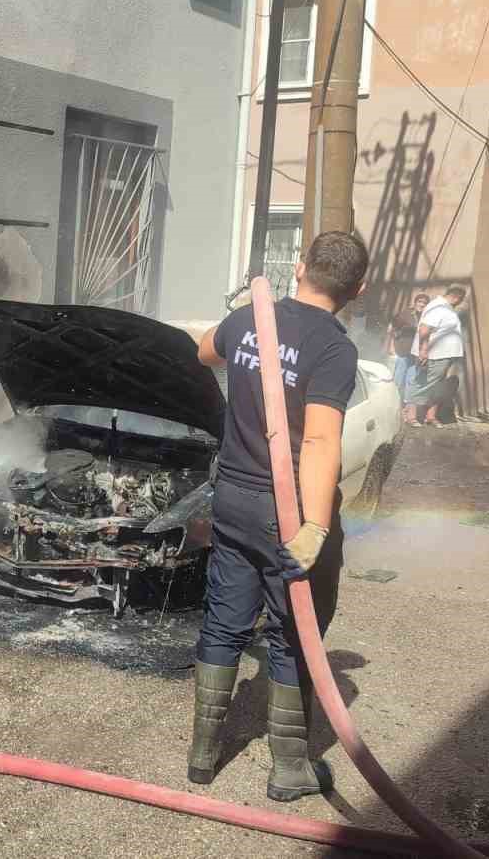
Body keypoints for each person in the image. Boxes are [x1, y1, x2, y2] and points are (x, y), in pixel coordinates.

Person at [188, 230, 369, 799]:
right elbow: (318, 442)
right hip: (285, 510)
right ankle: (289, 770)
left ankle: (202, 755)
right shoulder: (334, 348)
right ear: (357, 291)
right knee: (294, 633)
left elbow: (204, 351)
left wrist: (243, 314)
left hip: (233, 499)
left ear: (299, 268)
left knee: (225, 618)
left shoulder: (249, 320)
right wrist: (315, 525)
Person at [408, 284, 468, 426]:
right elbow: (424, 329)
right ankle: (411, 416)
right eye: (461, 299)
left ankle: (431, 416)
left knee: (437, 387)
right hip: (434, 355)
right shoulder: (438, 307)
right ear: (456, 296)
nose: (461, 302)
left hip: (444, 355)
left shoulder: (446, 308)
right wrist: (423, 351)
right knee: (422, 384)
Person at [386, 292, 430, 411]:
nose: (421, 305)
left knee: (411, 380)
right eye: (419, 302)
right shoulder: (404, 315)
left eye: (424, 303)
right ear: (415, 303)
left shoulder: (426, 317)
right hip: (402, 350)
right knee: (398, 378)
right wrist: (391, 346)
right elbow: (392, 329)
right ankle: (392, 401)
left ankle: (405, 405)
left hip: (415, 353)